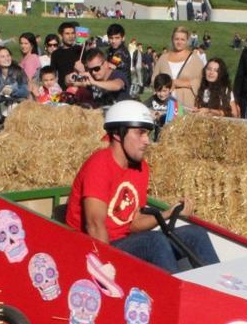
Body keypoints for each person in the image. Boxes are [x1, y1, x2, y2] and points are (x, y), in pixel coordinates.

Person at [65, 101, 220, 272]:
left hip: (125, 242)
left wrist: (167, 213)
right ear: (117, 133)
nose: (147, 141)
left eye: (147, 134)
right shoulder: (99, 165)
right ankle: (173, 296)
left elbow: (133, 223)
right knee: (154, 241)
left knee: (195, 234)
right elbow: (94, 225)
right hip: (92, 248)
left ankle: (223, 293)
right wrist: (105, 270)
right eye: (140, 133)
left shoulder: (141, 167)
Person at [153, 26, 204, 112]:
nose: (179, 42)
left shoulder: (195, 59)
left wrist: (181, 83)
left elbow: (202, 81)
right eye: (177, 39)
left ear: (187, 41)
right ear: (172, 39)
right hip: (164, 104)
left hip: (186, 103)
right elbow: (154, 79)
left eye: (182, 39)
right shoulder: (163, 58)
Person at [0, 46, 30, 126]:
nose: (6, 58)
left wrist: (12, 91)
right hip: (1, 116)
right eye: (2, 56)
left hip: (19, 115)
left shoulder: (18, 71)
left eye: (8, 55)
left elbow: (25, 90)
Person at [144, 73, 176, 140]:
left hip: (169, 137)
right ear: (155, 90)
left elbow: (179, 116)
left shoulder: (173, 102)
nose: (161, 94)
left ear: (170, 89)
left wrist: (163, 115)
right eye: (159, 91)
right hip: (154, 136)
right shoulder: (151, 100)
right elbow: (142, 109)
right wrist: (151, 113)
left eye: (164, 91)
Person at [51, 22, 82, 90]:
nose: (70, 36)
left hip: (79, 89)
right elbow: (52, 74)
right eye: (67, 34)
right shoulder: (56, 54)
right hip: (63, 89)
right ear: (60, 35)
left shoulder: (80, 50)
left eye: (72, 33)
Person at [105, 23, 131, 88]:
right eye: (111, 38)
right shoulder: (111, 50)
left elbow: (110, 68)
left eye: (117, 38)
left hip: (122, 89)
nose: (113, 41)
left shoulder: (120, 53)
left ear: (123, 38)